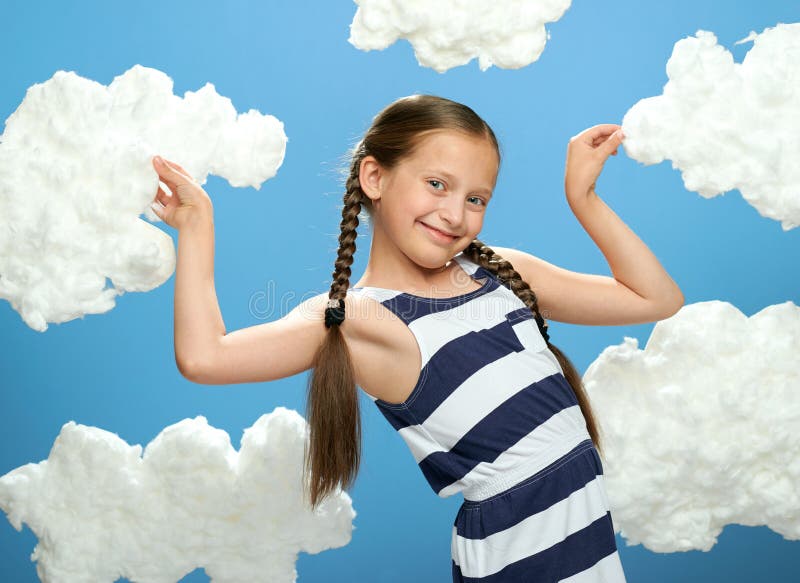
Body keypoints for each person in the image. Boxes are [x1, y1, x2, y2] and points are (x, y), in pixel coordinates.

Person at [149, 94, 683, 582]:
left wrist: (583, 197)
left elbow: (654, 299)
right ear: (375, 178)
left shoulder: (502, 274)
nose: (455, 214)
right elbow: (204, 357)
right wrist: (198, 227)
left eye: (476, 198)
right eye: (436, 184)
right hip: (519, 560)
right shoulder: (364, 318)